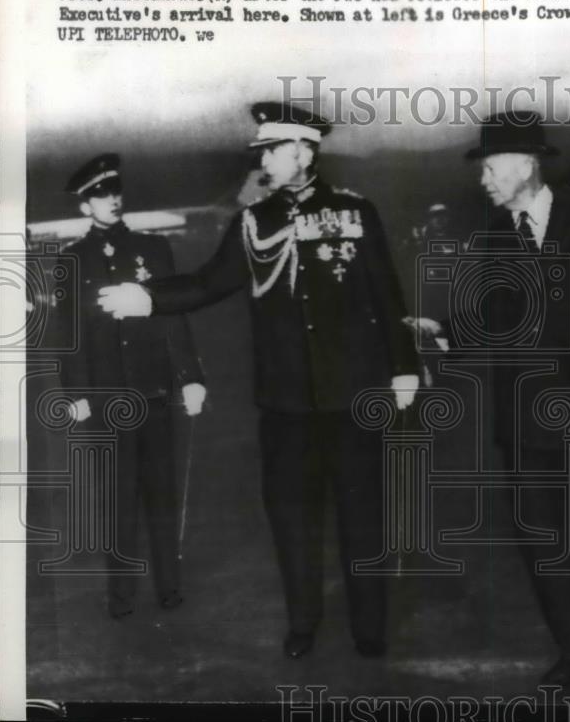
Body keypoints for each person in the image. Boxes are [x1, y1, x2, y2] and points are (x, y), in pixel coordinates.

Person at [96, 103, 420, 658]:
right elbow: (206, 283)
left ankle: (369, 629)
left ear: (302, 149)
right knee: (292, 520)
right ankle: (303, 623)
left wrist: (405, 365)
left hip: (355, 397)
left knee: (363, 517)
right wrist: (147, 299)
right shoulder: (254, 221)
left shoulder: (356, 212)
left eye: (272, 149)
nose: (264, 159)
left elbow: (386, 296)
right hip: (286, 403)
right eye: (263, 151)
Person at [434, 110, 570, 687]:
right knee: (541, 535)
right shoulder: (499, 235)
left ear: (528, 165)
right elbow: (494, 313)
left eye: (492, 168)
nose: (484, 180)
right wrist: (444, 331)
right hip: (522, 415)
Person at [56, 153, 206, 619]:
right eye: (102, 195)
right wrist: (76, 394)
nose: (113, 200)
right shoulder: (71, 260)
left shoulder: (154, 250)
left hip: (154, 392)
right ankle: (121, 596)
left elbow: (174, 318)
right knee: (117, 501)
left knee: (162, 496)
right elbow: (69, 334)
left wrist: (191, 377)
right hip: (104, 398)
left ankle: (169, 589)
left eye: (116, 191)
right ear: (85, 206)